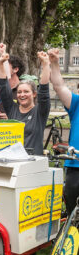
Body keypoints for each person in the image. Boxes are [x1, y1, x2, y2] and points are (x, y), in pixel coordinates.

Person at [0, 47, 50, 156]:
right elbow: (3, 87)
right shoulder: (12, 109)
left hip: (33, 162)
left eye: (26, 92)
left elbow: (44, 92)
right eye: (19, 92)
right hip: (12, 160)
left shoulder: (39, 112)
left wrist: (45, 64)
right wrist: (0, 64)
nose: (22, 95)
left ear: (34, 94)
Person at [48, 48, 79, 214]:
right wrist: (54, 62)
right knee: (72, 211)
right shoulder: (77, 104)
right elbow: (59, 86)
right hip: (76, 165)